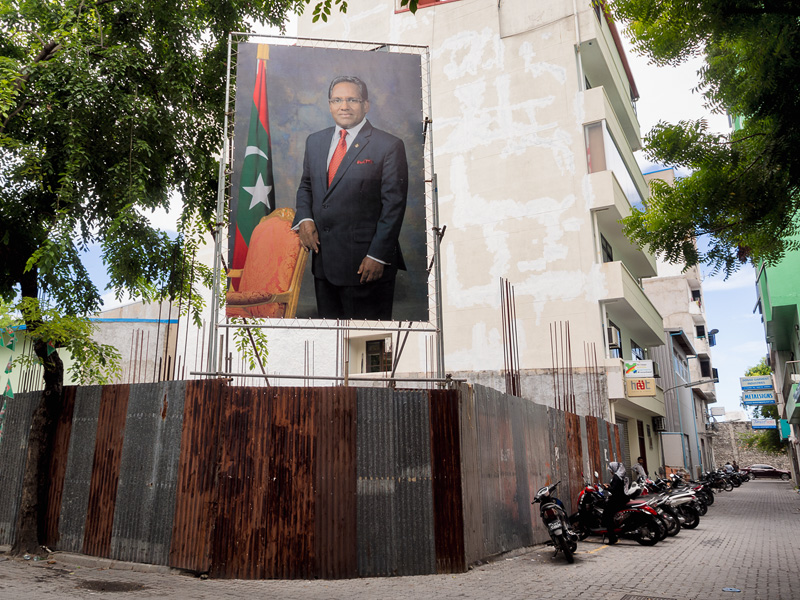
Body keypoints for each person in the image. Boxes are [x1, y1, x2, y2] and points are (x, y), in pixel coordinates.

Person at [294, 75, 408, 320]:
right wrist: (304, 219)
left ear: (365, 105)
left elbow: (394, 206)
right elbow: (306, 186)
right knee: (330, 344)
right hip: (324, 265)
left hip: (366, 267)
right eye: (337, 100)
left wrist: (377, 256)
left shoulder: (388, 145)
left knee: (366, 344)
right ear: (329, 104)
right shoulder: (315, 141)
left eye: (351, 99)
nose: (343, 106)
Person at [603, 461, 628, 545]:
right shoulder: (621, 475)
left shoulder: (616, 477)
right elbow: (617, 487)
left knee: (607, 516)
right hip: (622, 498)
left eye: (611, 469)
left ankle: (612, 538)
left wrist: (607, 488)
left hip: (617, 500)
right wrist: (610, 486)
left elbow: (614, 490)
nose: (610, 471)